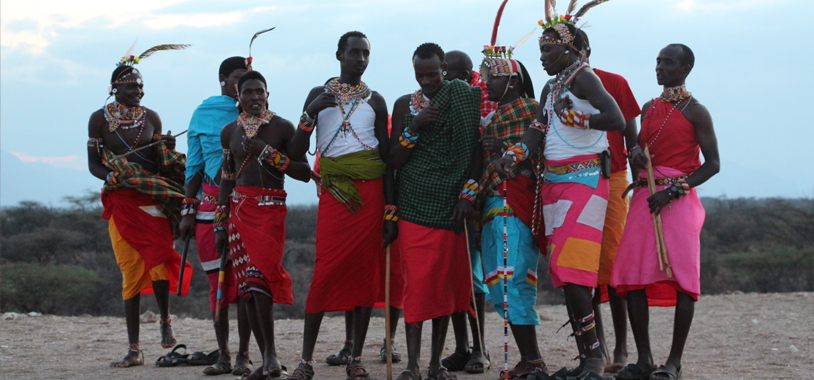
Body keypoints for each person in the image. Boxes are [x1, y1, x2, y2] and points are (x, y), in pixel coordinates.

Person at [495, 6, 625, 378]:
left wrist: (578, 118)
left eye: (548, 50)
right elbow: (536, 130)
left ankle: (596, 361)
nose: (541, 57)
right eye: (540, 49)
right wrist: (512, 154)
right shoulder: (553, 87)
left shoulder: (584, 78)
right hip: (553, 184)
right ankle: (587, 359)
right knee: (567, 275)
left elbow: (614, 118)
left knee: (575, 271)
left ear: (569, 50)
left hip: (584, 181)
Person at [284, 31, 396, 380]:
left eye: (365, 53)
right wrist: (310, 113)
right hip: (335, 194)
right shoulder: (318, 95)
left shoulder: (376, 100)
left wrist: (390, 211)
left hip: (371, 196)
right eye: (353, 53)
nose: (360, 59)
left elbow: (386, 159)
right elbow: (295, 151)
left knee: (365, 273)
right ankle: (305, 361)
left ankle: (357, 358)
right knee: (324, 272)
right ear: (339, 55)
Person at [611, 44, 719, 380]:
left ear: (686, 68)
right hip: (645, 198)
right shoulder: (648, 107)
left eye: (668, 62)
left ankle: (673, 362)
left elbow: (713, 165)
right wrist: (635, 155)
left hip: (679, 201)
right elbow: (641, 152)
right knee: (633, 277)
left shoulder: (696, 111)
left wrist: (674, 191)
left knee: (685, 280)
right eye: (658, 61)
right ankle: (644, 360)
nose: (660, 67)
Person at [86, 46, 192, 368]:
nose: (138, 91)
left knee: (160, 260)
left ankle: (164, 319)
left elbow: (162, 164)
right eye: (132, 86)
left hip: (153, 198)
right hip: (122, 200)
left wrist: (168, 149)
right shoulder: (98, 120)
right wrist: (117, 177)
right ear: (114, 88)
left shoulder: (153, 117)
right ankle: (134, 348)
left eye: (141, 86)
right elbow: (94, 166)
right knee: (131, 271)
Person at [390, 42, 482, 380]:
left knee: (442, 286)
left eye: (432, 74)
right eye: (420, 75)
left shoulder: (460, 98)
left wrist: (467, 195)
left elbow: (473, 151)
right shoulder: (405, 105)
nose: (427, 81)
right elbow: (393, 160)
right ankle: (412, 365)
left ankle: (434, 365)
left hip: (450, 208)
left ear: (444, 68)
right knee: (416, 285)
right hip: (413, 205)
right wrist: (415, 127)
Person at [215, 70, 311, 380]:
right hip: (240, 212)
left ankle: (269, 354)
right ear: (238, 98)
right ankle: (267, 356)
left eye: (260, 92)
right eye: (248, 93)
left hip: (271, 211)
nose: (255, 97)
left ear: (268, 94)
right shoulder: (229, 131)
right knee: (249, 287)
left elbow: (302, 172)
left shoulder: (281, 127)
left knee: (262, 280)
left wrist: (265, 153)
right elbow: (227, 178)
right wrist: (220, 222)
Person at [478, 47, 550, 379]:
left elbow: (541, 156)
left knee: (513, 282)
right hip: (493, 204)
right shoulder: (493, 116)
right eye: (487, 77)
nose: (488, 83)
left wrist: (504, 149)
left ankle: (533, 360)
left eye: (494, 77)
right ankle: (528, 359)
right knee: (500, 282)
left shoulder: (531, 110)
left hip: (516, 201)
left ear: (514, 80)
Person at [178, 56, 253, 376]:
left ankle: (244, 356)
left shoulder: (258, 115)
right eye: (238, 79)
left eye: (249, 81)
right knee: (218, 285)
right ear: (223, 79)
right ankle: (223, 354)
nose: (243, 86)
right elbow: (193, 168)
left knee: (249, 284)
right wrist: (187, 210)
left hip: (249, 205)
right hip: (210, 205)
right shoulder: (204, 113)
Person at [576, 29, 641, 374]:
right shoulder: (558, 88)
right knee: (583, 266)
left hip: (613, 177)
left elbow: (630, 129)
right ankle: (595, 347)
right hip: (575, 183)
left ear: (586, 50)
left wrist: (637, 175)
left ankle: (621, 345)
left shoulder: (613, 82)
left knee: (613, 264)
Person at [439, 49, 494, 375]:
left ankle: (480, 349)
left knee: (474, 277)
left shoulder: (481, 98)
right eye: (448, 75)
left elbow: (478, 146)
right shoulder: (440, 98)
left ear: (470, 73)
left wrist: (469, 194)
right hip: (448, 197)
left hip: (479, 195)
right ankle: (461, 347)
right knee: (454, 275)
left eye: (459, 74)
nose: (452, 80)